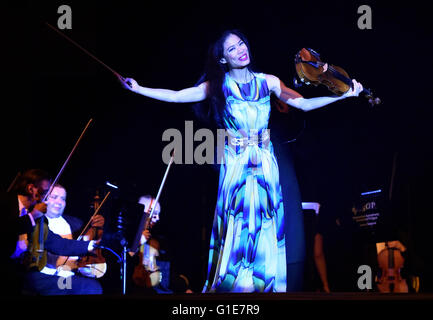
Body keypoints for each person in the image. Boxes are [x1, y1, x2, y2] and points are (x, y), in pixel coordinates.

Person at [119, 29, 363, 292]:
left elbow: (302, 104)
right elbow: (177, 96)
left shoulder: (268, 81)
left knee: (264, 222)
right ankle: (235, 286)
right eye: (232, 48)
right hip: (236, 163)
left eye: (241, 44)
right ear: (223, 59)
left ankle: (264, 283)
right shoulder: (218, 85)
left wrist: (344, 95)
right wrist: (139, 88)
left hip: (265, 162)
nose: (241, 49)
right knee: (238, 222)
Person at [2, 168, 102, 295]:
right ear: (31, 189)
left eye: (62, 198)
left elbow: (55, 242)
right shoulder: (6, 205)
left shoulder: (47, 218)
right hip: (9, 270)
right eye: (47, 193)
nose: (49, 200)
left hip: (30, 273)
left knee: (91, 287)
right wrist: (33, 216)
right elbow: (8, 229)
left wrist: (89, 246)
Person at [43, 184, 106, 282]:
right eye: (54, 197)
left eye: (63, 199)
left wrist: (84, 267)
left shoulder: (76, 224)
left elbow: (85, 250)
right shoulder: (37, 224)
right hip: (49, 278)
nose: (59, 202)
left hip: (71, 278)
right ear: (43, 198)